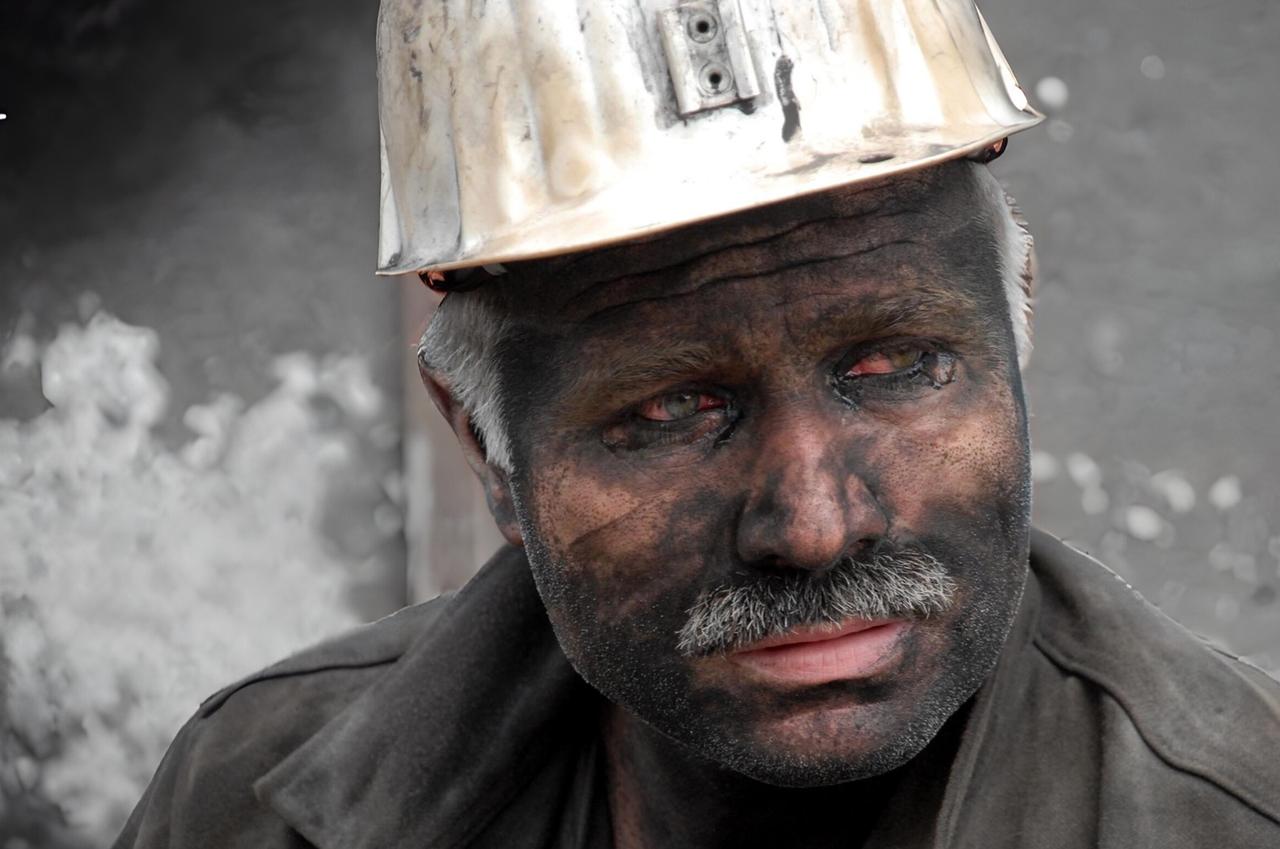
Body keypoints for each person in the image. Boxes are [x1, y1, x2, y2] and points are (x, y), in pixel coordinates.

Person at [115, 1, 1280, 847]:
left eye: (895, 366)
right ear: (487, 447)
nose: (812, 527)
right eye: (671, 409)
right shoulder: (244, 799)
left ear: (1013, 332)